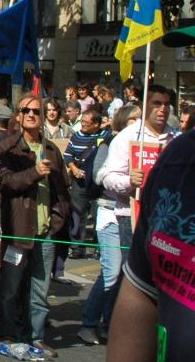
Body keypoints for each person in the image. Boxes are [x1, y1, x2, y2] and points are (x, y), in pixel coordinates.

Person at [105, 107, 195, 362]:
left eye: (165, 104)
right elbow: (141, 291)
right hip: (125, 216)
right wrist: (128, 181)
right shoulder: (179, 158)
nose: (162, 110)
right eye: (155, 103)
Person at [0, 93, 69, 357]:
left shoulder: (52, 150)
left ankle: (36, 336)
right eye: (26, 110)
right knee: (10, 288)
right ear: (18, 115)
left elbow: (62, 189)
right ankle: (9, 334)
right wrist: (34, 172)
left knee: (40, 290)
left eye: (37, 111)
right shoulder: (7, 148)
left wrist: (58, 219)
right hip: (17, 230)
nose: (32, 115)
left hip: (45, 232)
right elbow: (5, 182)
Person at [77, 103, 138, 345]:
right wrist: (127, 178)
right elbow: (99, 175)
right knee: (111, 272)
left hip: (134, 216)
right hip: (110, 215)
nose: (138, 125)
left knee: (127, 275)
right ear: (123, 122)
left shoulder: (145, 146)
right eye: (133, 120)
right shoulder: (111, 144)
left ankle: (109, 324)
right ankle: (89, 324)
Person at [62, 108, 109, 261]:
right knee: (77, 214)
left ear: (96, 124)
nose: (82, 125)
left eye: (86, 123)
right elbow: (68, 155)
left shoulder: (106, 137)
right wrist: (73, 168)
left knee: (98, 215)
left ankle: (99, 248)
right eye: (82, 122)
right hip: (80, 181)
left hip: (98, 184)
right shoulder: (76, 136)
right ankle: (77, 247)